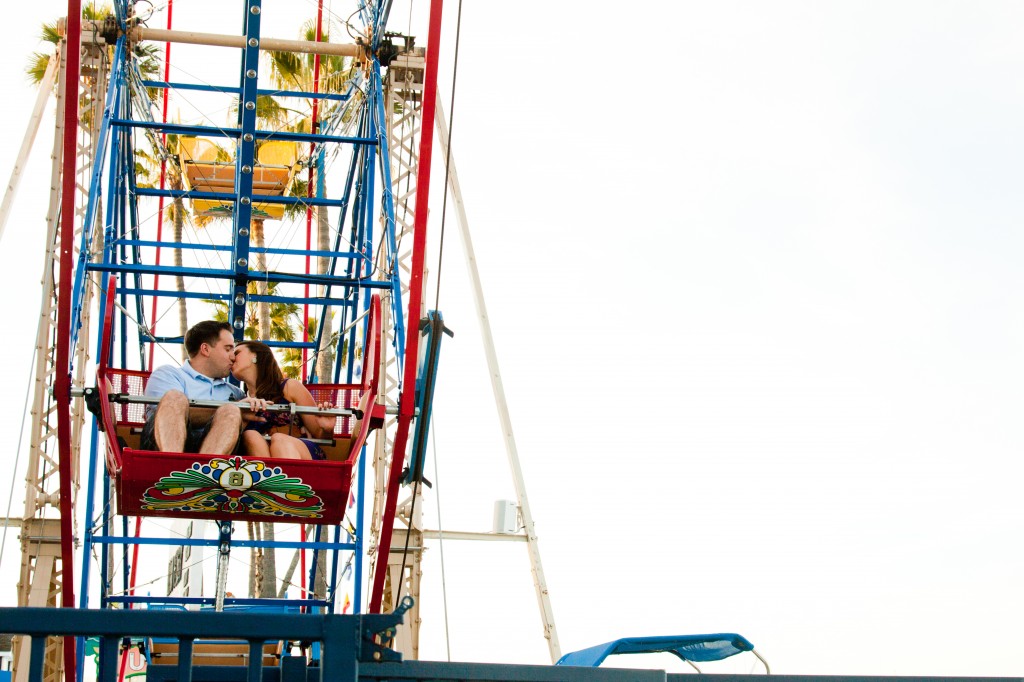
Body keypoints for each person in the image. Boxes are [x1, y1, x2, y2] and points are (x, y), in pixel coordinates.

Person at [141, 320, 247, 454]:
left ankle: (204, 467)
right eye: (228, 349)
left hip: (216, 449)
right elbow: (167, 413)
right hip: (162, 444)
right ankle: (171, 460)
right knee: (175, 398)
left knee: (231, 412)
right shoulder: (168, 374)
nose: (233, 357)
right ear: (205, 349)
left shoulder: (236, 393)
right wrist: (236, 407)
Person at [231, 340, 336, 460]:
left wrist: (327, 428)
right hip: (262, 457)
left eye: (236, 353)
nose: (231, 358)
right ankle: (273, 472)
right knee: (251, 436)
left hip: (300, 454)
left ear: (255, 355)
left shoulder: (289, 387)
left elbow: (321, 437)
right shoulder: (241, 401)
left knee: (279, 439)